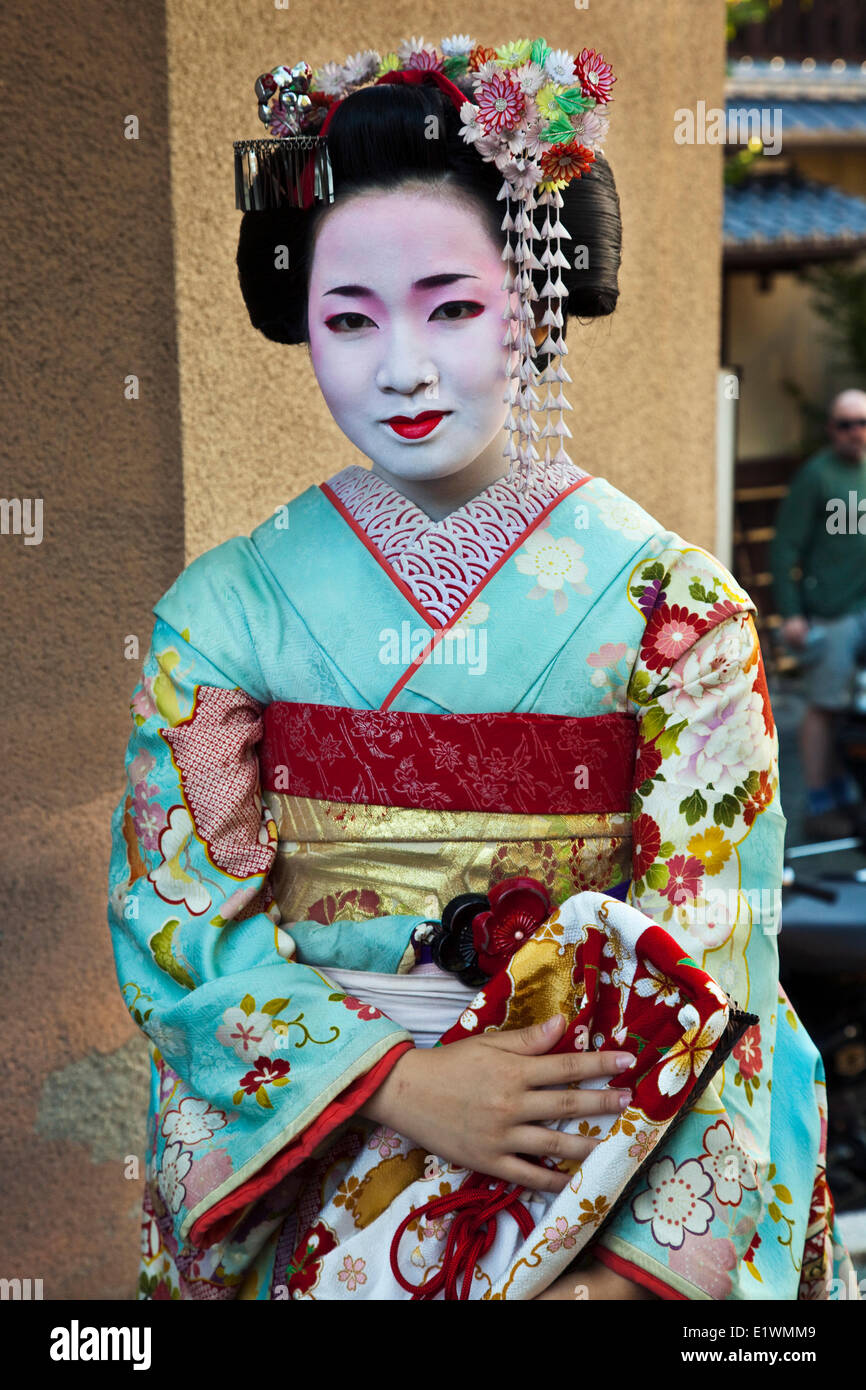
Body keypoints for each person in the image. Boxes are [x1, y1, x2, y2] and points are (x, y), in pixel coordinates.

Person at [108, 35, 855, 1301]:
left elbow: (719, 962)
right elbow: (182, 931)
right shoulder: (224, 615)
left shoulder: (676, 611)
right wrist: (401, 1078)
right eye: (349, 318)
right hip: (322, 1168)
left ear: (535, 288)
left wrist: (620, 1278)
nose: (401, 366)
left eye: (452, 307)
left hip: (602, 1146)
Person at [771, 389, 866, 842]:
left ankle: (851, 793)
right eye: (846, 423)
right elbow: (785, 546)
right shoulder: (816, 476)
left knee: (855, 708)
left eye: (862, 421)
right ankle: (819, 803)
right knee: (825, 706)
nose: (855, 431)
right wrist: (791, 613)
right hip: (830, 614)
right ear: (832, 429)